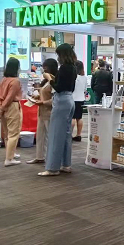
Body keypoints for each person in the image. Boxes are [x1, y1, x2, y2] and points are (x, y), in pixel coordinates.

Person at [39, 43, 77, 176]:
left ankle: (52, 168)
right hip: (69, 100)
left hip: (61, 101)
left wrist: (49, 78)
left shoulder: (64, 68)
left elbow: (59, 87)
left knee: (55, 134)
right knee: (66, 134)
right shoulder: (73, 67)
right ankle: (66, 164)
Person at [27, 58, 57, 165]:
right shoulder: (45, 81)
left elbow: (55, 99)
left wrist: (43, 102)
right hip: (41, 112)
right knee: (40, 136)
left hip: (49, 113)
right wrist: (38, 97)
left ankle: (51, 158)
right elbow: (45, 94)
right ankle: (39, 156)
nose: (44, 70)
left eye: (45, 68)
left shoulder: (53, 81)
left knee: (50, 137)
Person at [0, 58, 22, 167]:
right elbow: (10, 97)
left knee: (7, 133)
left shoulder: (4, 80)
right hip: (12, 107)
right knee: (13, 133)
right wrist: (3, 108)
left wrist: (0, 108)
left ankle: (10, 153)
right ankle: (9, 159)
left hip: (3, 107)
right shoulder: (15, 81)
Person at [72, 60, 87, 142]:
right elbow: (85, 89)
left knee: (72, 118)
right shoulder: (84, 77)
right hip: (81, 99)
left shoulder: (73, 77)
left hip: (73, 98)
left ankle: (69, 134)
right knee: (79, 117)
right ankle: (79, 135)